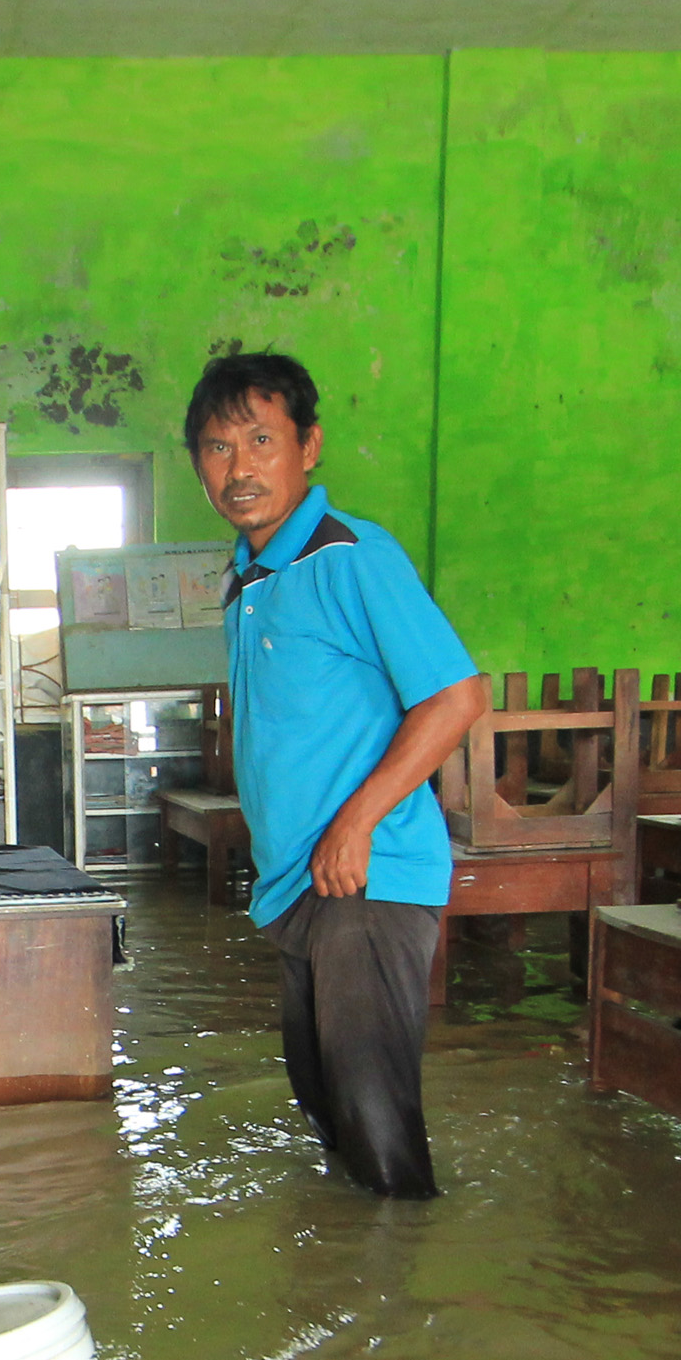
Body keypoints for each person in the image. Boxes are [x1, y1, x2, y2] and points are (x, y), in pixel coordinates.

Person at [193, 352, 486, 1201]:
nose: (240, 467)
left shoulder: (349, 555)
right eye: (217, 447)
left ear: (308, 446)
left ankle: (399, 1313)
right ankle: (355, 1292)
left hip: (368, 878)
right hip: (302, 888)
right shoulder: (246, 578)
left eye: (260, 439)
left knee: (374, 1123)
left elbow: (458, 696)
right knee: (326, 1108)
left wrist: (356, 823)